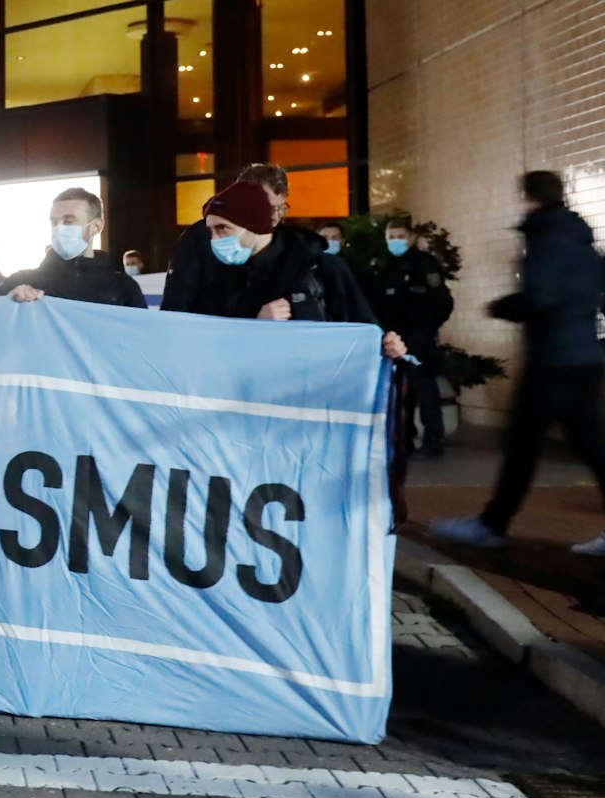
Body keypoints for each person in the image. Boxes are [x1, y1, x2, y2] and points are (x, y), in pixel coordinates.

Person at [431, 172, 605, 555]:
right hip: (582, 356)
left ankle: (492, 526)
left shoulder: (547, 239)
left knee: (524, 445)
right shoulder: (581, 240)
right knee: (588, 445)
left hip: (553, 360)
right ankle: (492, 523)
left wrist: (500, 306)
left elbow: (540, 297)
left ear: (530, 197)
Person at [188, 181, 406, 359]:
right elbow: (206, 348)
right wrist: (255, 325)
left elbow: (366, 329)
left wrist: (388, 345)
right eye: (211, 231)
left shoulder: (322, 269)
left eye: (222, 229)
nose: (215, 240)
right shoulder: (217, 277)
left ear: (255, 224)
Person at [163, 163, 320, 315]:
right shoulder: (198, 239)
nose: (274, 217)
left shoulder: (293, 246)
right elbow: (177, 304)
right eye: (266, 207)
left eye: (280, 209)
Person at [371, 215, 455, 459]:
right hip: (393, 339)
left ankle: (433, 439)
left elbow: (443, 302)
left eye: (400, 237)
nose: (396, 241)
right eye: (391, 237)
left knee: (425, 389)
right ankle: (403, 438)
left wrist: (427, 328)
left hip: (420, 338)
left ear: (411, 238)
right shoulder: (384, 267)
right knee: (398, 391)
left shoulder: (425, 265)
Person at [0, 188, 146, 309]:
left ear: (96, 226)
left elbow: (140, 340)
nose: (59, 228)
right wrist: (7, 304)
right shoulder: (21, 281)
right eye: (54, 222)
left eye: (68, 221)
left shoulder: (123, 288)